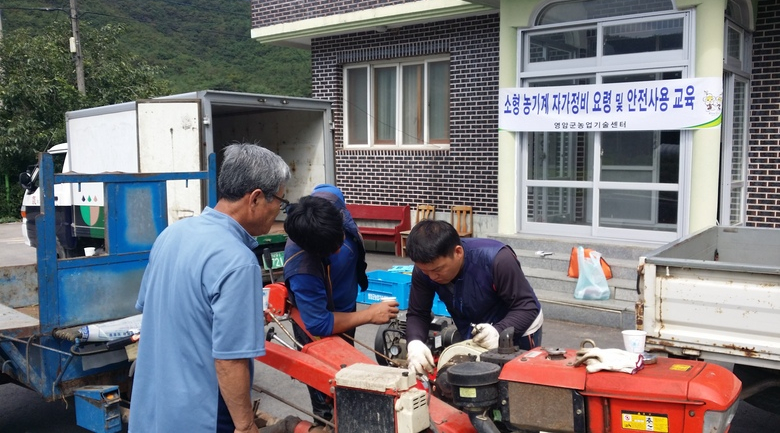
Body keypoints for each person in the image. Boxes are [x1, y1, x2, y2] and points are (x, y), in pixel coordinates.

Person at [129, 143, 291, 433]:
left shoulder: (171, 234)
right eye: (280, 200)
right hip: (201, 416)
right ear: (255, 198)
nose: (279, 210)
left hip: (154, 410)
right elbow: (230, 358)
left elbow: (151, 313)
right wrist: (245, 425)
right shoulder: (237, 261)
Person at [283, 190, 400, 425]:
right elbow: (319, 323)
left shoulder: (329, 200)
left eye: (340, 240)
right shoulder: (303, 268)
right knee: (329, 393)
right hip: (318, 327)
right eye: (331, 248)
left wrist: (360, 315)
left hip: (346, 311)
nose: (338, 249)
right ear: (313, 249)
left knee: (352, 378)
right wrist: (369, 314)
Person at [404, 220, 543, 376]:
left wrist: (498, 331)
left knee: (517, 383)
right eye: (425, 271)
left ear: (458, 252)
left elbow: (527, 306)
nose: (432, 277)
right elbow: (418, 313)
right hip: (475, 329)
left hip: (518, 326)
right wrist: (415, 343)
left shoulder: (498, 259)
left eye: (438, 270)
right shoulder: (424, 270)